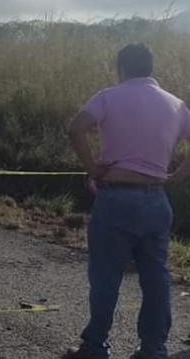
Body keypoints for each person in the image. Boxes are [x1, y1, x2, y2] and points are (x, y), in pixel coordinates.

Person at [65, 43, 190, 359]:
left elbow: (76, 128)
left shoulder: (108, 96)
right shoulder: (175, 105)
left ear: (122, 68)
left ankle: (95, 346)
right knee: (156, 278)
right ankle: (153, 348)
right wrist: (178, 175)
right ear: (150, 68)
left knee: (106, 276)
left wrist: (93, 168)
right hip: (156, 199)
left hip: (116, 198)